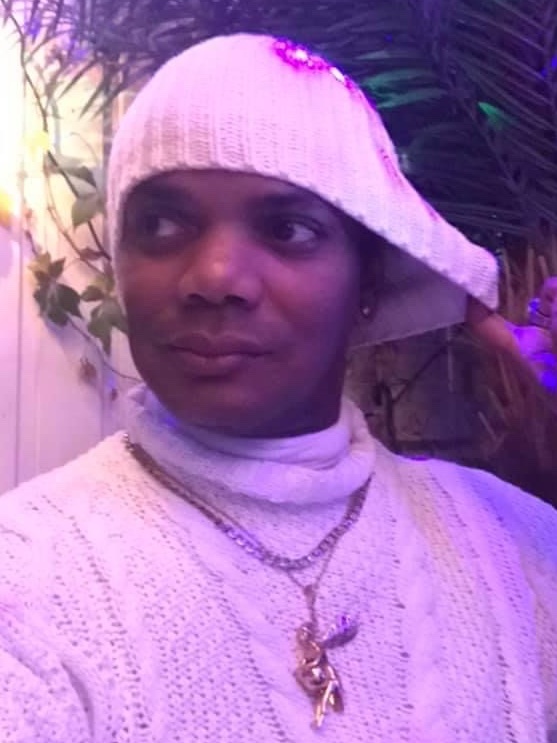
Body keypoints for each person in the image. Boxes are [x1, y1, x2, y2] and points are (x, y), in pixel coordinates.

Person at [1, 33, 556, 743]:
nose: (215, 278)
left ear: (369, 282)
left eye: (288, 229)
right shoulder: (27, 579)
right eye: (161, 223)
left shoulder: (516, 545)